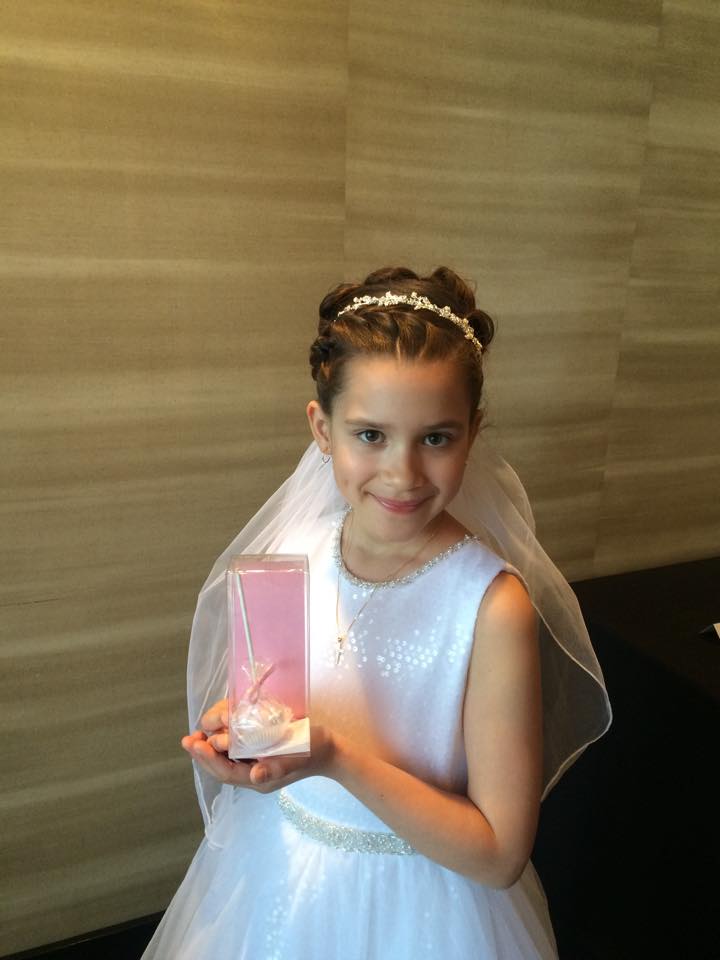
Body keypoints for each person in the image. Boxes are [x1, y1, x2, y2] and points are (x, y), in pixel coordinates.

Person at [142, 266, 611, 959]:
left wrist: (334, 756)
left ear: (473, 433)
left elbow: (498, 854)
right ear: (320, 426)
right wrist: (240, 735)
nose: (403, 474)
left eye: (436, 437)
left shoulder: (489, 605)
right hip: (280, 872)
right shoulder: (290, 552)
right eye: (370, 436)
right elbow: (272, 710)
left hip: (427, 907)